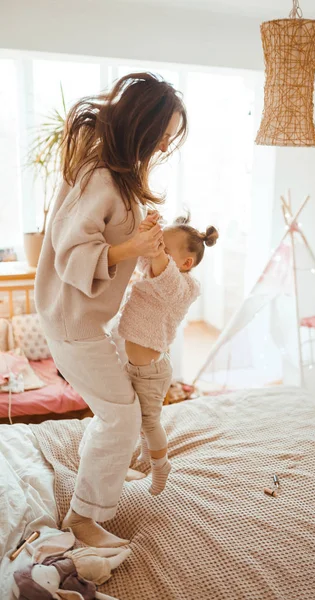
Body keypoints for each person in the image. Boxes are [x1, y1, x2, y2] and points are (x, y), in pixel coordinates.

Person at [34, 73, 187, 547]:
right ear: (141, 127)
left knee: (113, 414)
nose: (163, 147)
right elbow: (69, 250)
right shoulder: (101, 174)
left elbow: (106, 236)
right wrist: (130, 247)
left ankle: (101, 479)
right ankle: (83, 519)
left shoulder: (116, 176)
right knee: (121, 417)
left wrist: (141, 235)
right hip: (72, 324)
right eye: (161, 136)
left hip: (82, 323)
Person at [118, 212, 218, 495]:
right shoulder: (156, 270)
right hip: (138, 366)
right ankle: (145, 455)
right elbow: (144, 256)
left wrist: (156, 249)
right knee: (139, 416)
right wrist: (147, 230)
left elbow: (164, 271)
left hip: (151, 371)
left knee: (150, 421)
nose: (156, 249)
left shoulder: (180, 286)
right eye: (158, 244)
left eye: (164, 247)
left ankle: (161, 466)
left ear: (186, 263)